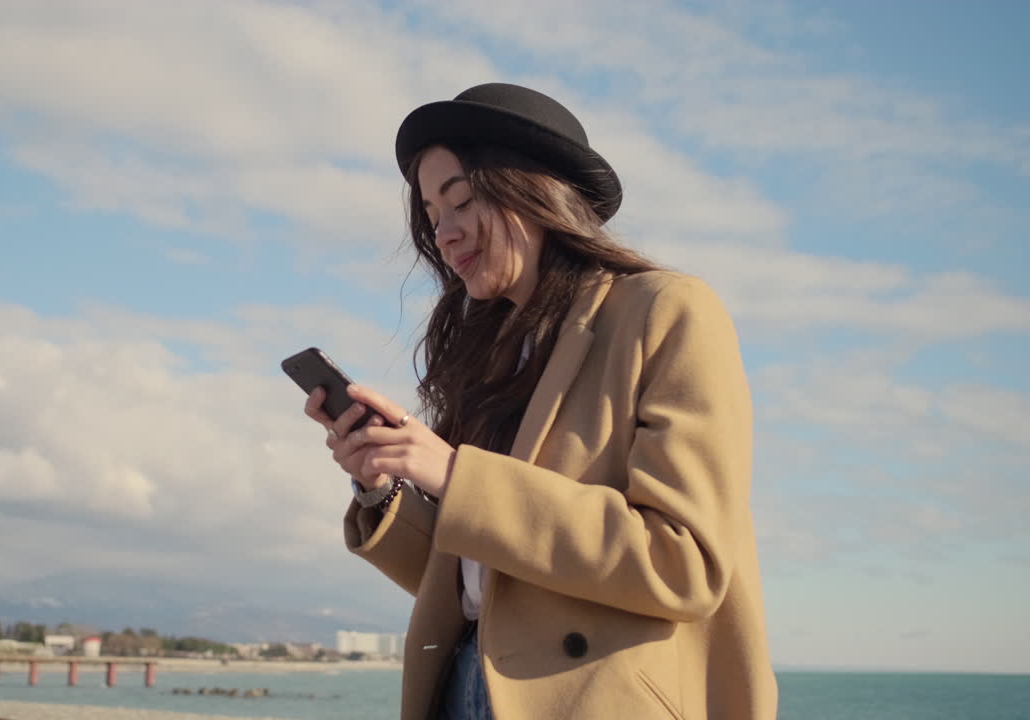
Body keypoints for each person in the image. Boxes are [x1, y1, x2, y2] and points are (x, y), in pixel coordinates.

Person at [303, 83, 777, 720]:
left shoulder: (665, 311)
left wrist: (452, 474)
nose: (442, 234)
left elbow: (682, 561)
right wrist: (383, 483)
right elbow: (493, 582)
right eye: (430, 214)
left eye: (461, 200)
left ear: (531, 189)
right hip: (464, 685)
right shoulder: (489, 355)